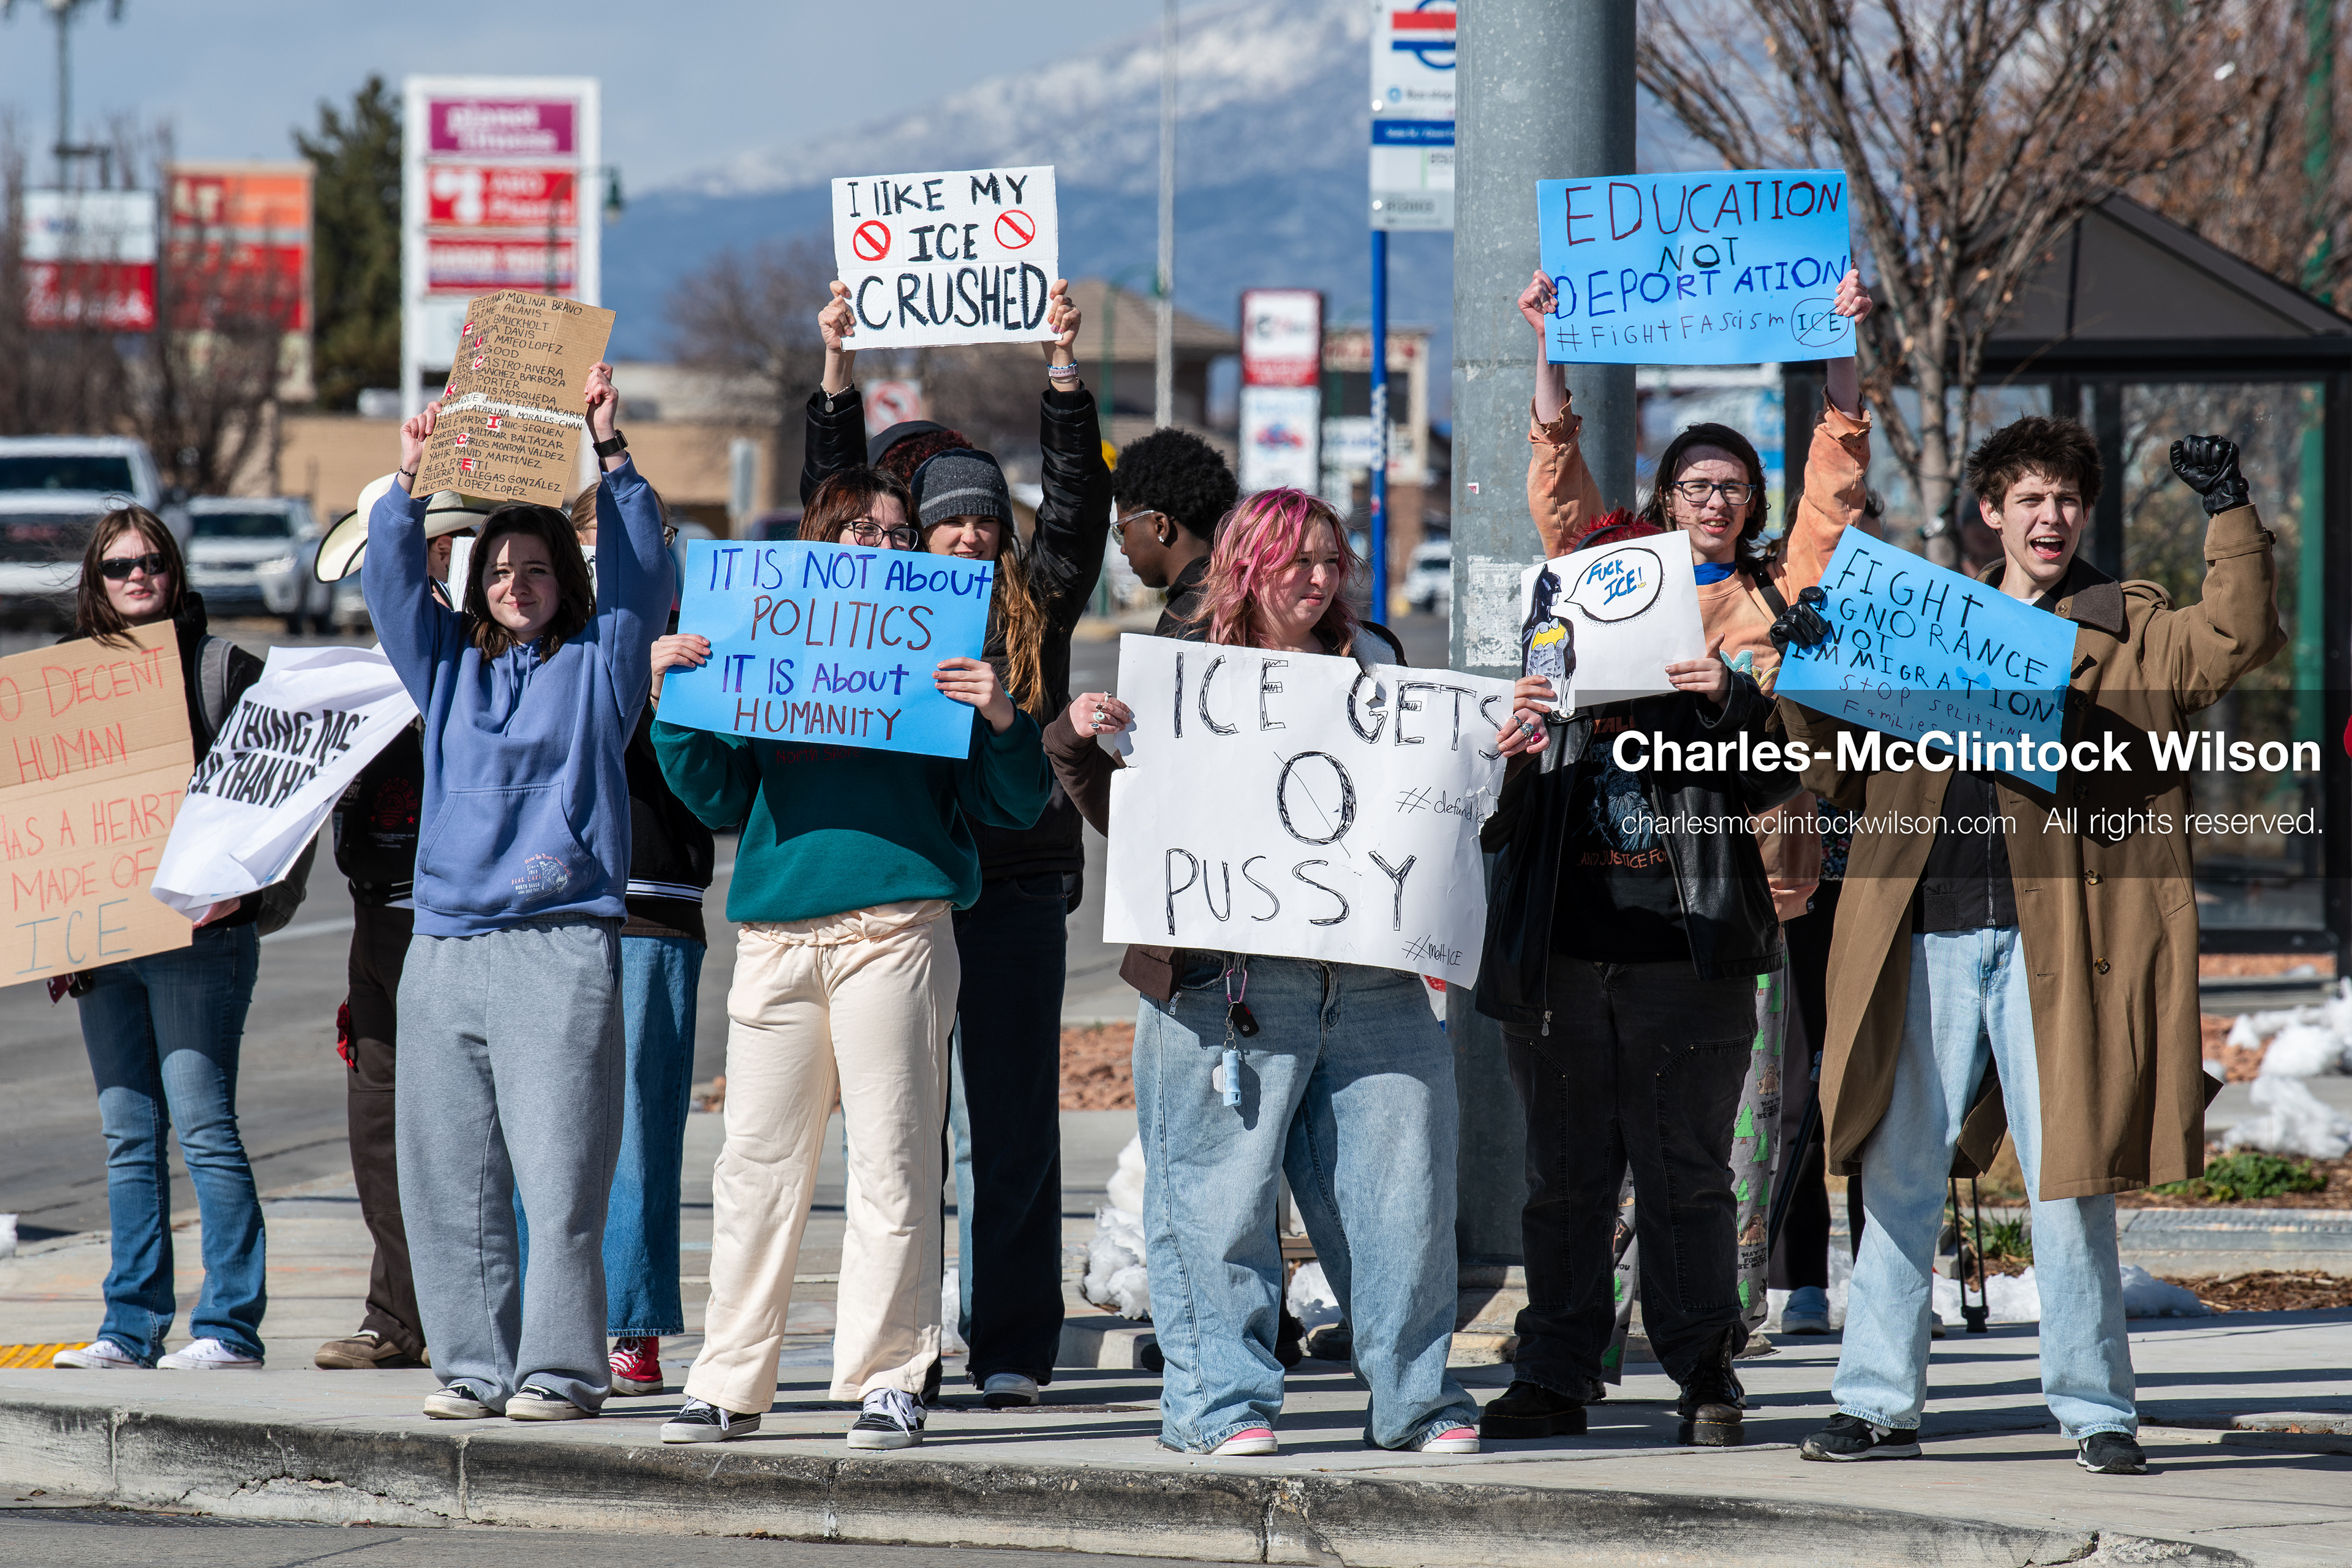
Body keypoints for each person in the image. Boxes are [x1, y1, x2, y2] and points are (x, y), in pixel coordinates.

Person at [1784, 422, 2284, 1476]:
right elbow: (1829, 765)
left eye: (2066, 500)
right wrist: (1813, 659)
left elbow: (2236, 638)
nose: (2050, 517)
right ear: (1991, 516)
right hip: (1923, 936)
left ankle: (2098, 1408)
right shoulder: (1922, 624)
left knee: (2069, 1182)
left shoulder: (2128, 626)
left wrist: (2228, 512)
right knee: (1899, 1175)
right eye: (2030, 500)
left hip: (2064, 947)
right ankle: (1875, 1404)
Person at [1052, 488, 1527, 1458]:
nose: (1316, 579)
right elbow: (1131, 827)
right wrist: (1076, 737)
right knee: (1216, 1204)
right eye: (1294, 561)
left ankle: (1416, 1400)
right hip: (1224, 993)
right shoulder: (1187, 681)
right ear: (1244, 566)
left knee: (1403, 1203)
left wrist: (1500, 762)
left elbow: (1448, 820)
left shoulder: (1382, 669)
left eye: (1329, 560)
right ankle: (1219, 1406)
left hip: (1374, 987)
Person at [652, 466, 1052, 1450]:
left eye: (894, 532)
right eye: (858, 530)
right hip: (778, 932)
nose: (879, 544)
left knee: (895, 1161)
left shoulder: (939, 651)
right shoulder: (766, 639)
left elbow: (1012, 805)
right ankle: (727, 1380)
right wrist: (676, 697)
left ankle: (889, 1375)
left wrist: (1002, 720)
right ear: (817, 545)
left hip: (899, 931)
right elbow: (715, 796)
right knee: (755, 1164)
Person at [810, 277, 1113, 1408]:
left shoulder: (1036, 598)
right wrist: (836, 373)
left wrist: (1064, 374)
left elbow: (1076, 507)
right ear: (916, 528)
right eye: (950, 517)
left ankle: (1015, 1348)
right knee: (903, 1136)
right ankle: (907, 1349)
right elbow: (826, 500)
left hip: (1022, 890)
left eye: (987, 515)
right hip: (908, 889)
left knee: (1015, 1129)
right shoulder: (869, 604)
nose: (971, 531)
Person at [363, 361, 669, 1422]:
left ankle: (560, 1371)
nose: (516, 583)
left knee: (560, 1179)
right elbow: (390, 583)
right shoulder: (444, 668)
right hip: (444, 951)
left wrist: (610, 450)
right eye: (498, 568)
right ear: (476, 580)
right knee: (450, 1184)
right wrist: (407, 482)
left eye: (536, 567)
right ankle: (473, 1366)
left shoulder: (604, 663)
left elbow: (642, 573)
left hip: (561, 946)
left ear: (563, 581)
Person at [1470, 486, 1807, 1446]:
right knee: (1564, 1181)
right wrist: (1516, 745)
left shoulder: (1703, 697)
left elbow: (1773, 782)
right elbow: (1484, 824)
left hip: (1684, 967)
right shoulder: (1548, 702)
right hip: (1562, 973)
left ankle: (1704, 1370)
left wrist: (1732, 700)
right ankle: (1557, 1372)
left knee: (1686, 1178)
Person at [48, 507, 274, 1372]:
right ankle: (129, 1325)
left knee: (204, 1124)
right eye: (118, 567)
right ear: (95, 586)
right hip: (104, 941)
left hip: (196, 940)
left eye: (152, 562)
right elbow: (48, 818)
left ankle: (228, 1327)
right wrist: (56, 928)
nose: (138, 576)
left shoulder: (222, 670)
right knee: (128, 1133)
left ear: (175, 574)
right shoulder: (64, 688)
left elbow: (284, 803)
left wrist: (242, 896)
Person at [314, 488, 488, 1372]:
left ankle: (463, 1313)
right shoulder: (351, 670)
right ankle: (397, 1312)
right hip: (373, 914)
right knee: (376, 1121)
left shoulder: (475, 649)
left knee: (456, 1128)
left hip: (447, 918)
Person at [559, 486, 717, 1398]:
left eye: (646, 541)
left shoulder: (702, 635)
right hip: (558, 903)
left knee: (643, 1129)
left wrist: (670, 687)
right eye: (601, 543)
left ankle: (632, 1326)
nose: (624, 557)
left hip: (657, 902)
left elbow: (719, 781)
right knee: (551, 1123)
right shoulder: (552, 636)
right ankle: (551, 1315)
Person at [1107, 426, 1237, 630]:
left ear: (1160, 526)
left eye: (1122, 531)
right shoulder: (1236, 598)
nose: (1123, 548)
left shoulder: (1188, 620)